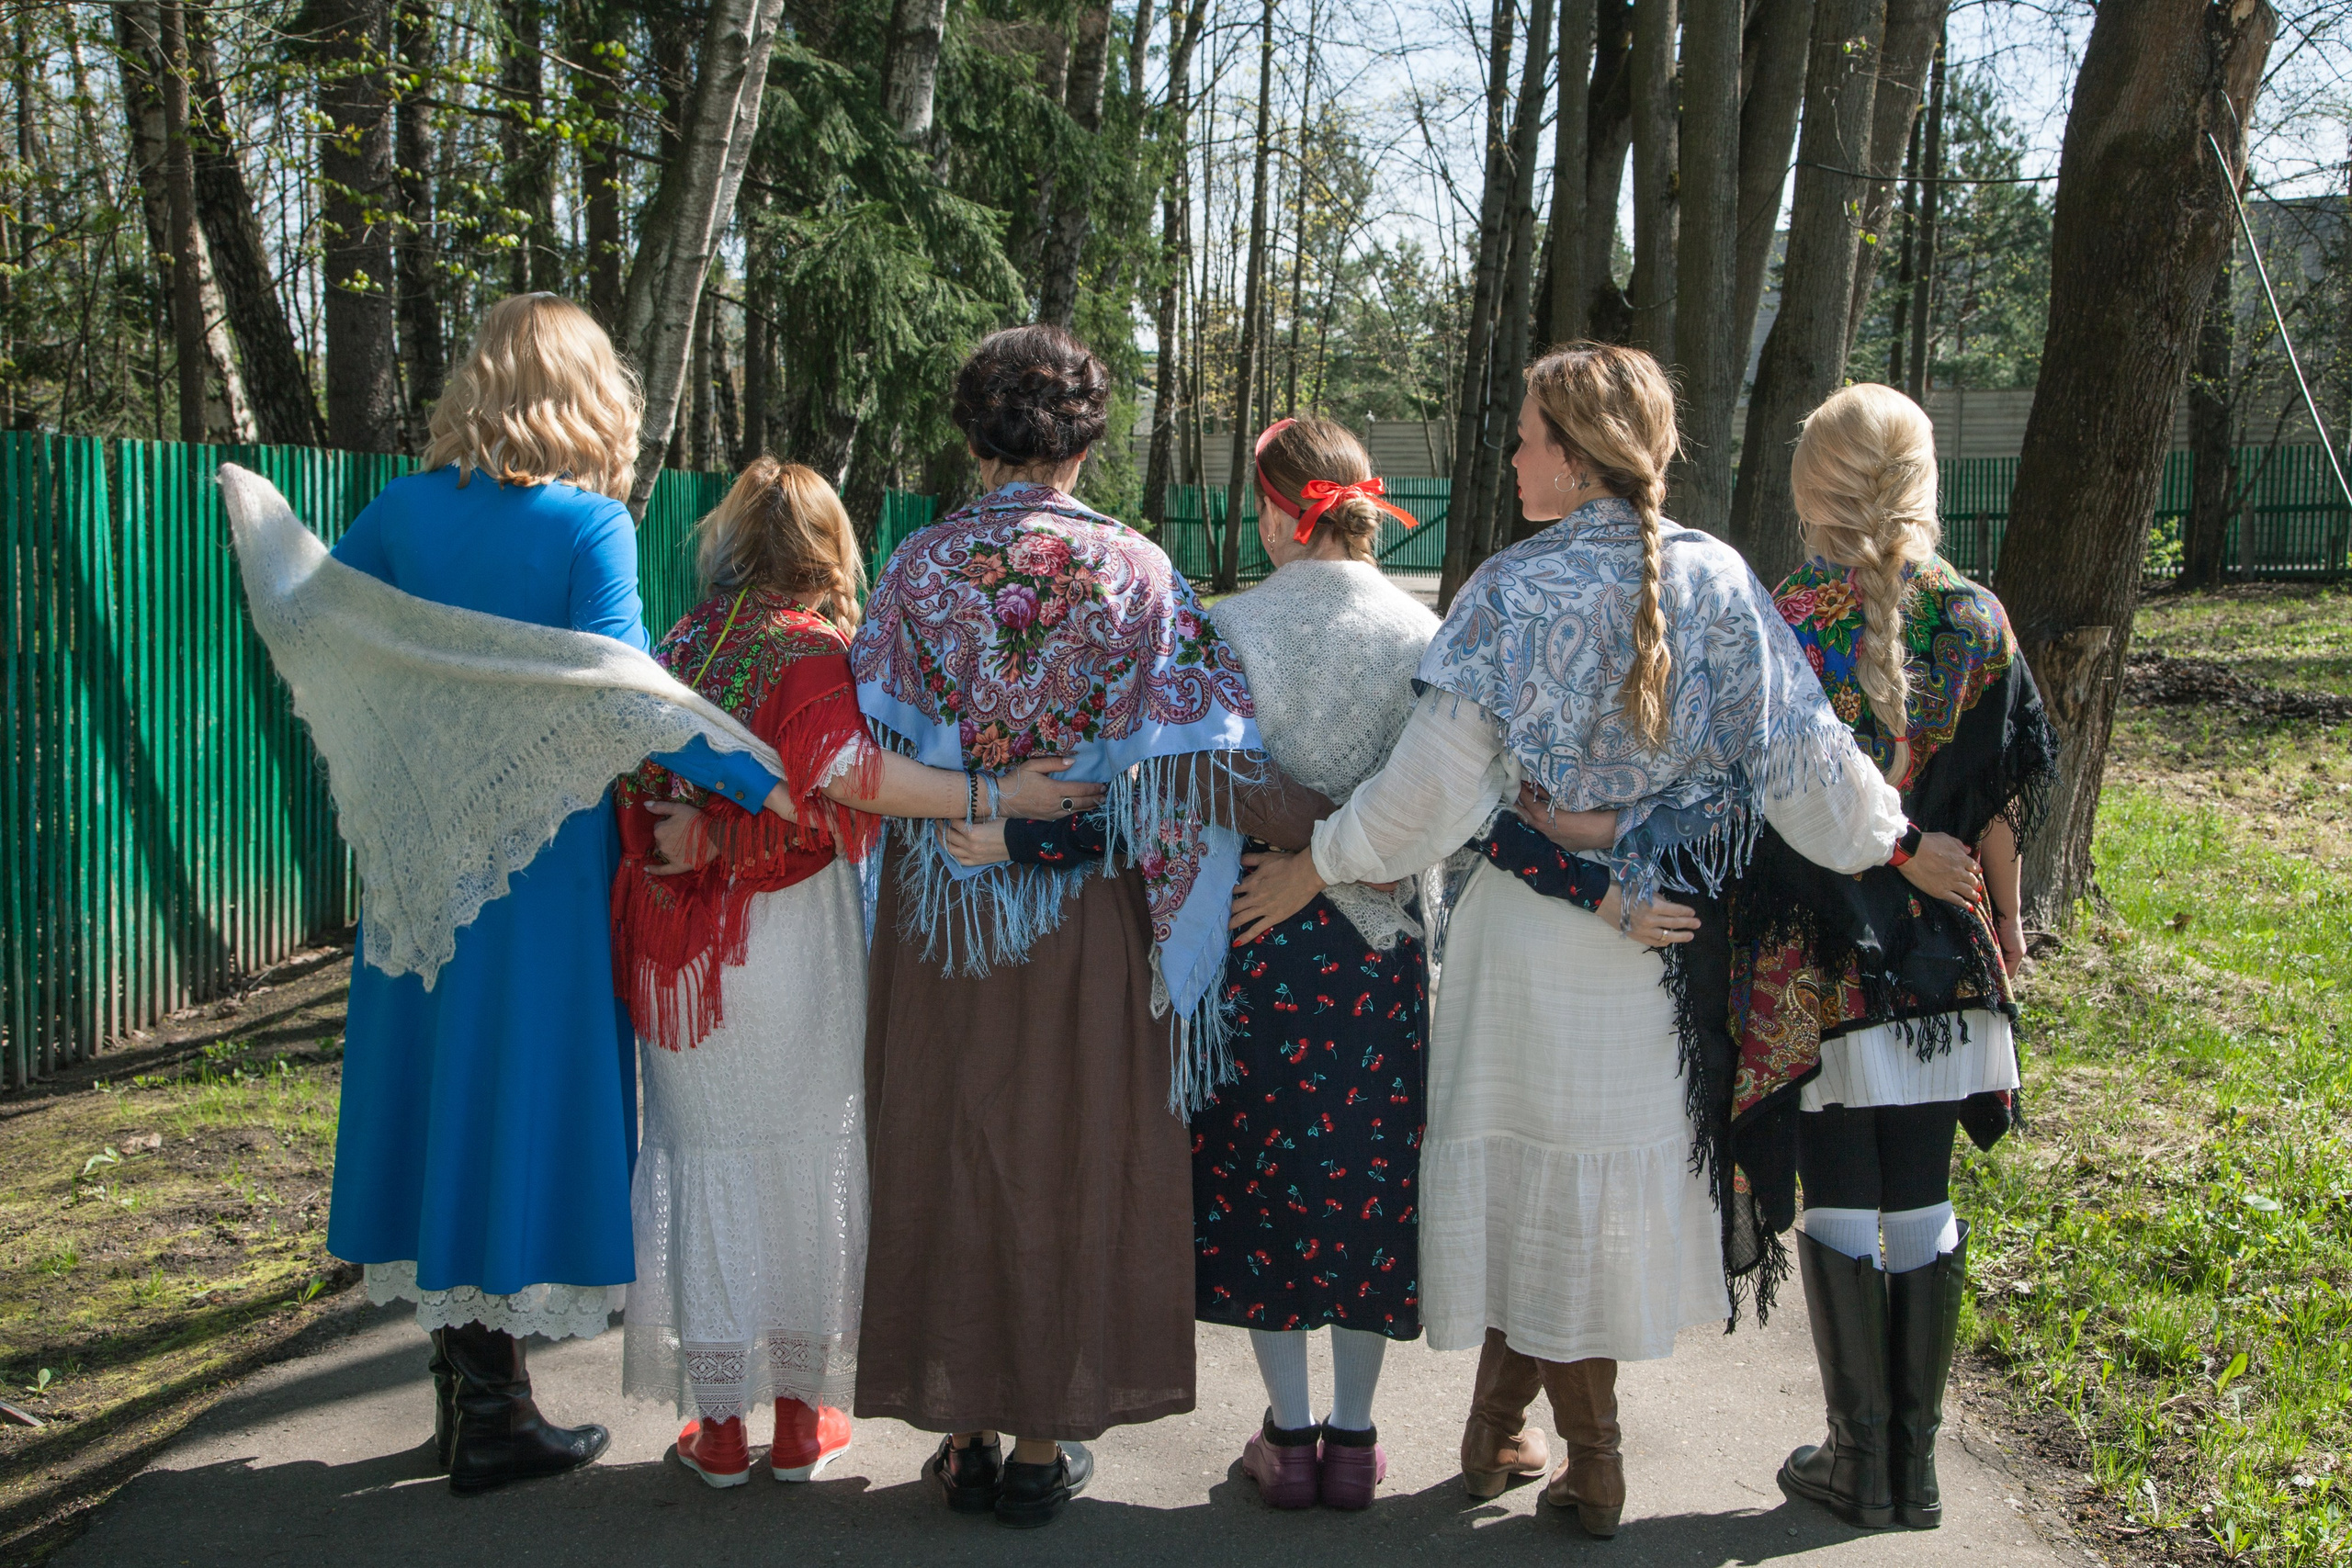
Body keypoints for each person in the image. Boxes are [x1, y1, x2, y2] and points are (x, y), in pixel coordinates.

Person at [1226, 343, 1983, 1538]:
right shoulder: (1719, 579)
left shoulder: (1508, 590)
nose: (1513, 455)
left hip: (1525, 946)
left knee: (1536, 1194)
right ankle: (1529, 1437)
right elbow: (1813, 777)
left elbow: (1429, 796)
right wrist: (1895, 841)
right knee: (1591, 1203)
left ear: (1577, 459)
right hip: (1657, 955)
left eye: (1529, 437)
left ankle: (1577, 1452)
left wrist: (1318, 860)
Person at [848, 325, 1334, 1529]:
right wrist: (1337, 831)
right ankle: (1035, 1444)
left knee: (949, 1144)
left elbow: (864, 745)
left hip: (943, 909)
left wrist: (977, 789)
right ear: (1084, 440)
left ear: (973, 435)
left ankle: (961, 1431)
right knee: (1067, 1153)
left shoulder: (915, 567)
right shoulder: (1135, 570)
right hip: (1079, 914)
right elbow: (1197, 759)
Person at [321, 294, 799, 1495]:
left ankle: (470, 1399)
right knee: (514, 1098)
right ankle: (491, 1419)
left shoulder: (398, 511)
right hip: (533, 875)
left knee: (441, 1099)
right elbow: (628, 695)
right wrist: (764, 779)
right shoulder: (588, 526)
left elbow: (333, 645)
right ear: (589, 399)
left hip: (418, 868)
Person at [958, 416, 1440, 1509]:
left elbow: (1173, 786)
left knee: (1268, 1179)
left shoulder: (1223, 628)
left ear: (1275, 513)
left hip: (1253, 930)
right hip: (1379, 938)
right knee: (1366, 1183)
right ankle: (1355, 1440)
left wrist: (1028, 835)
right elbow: (1440, 799)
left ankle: (1288, 1434)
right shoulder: (1425, 633)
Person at [607, 459, 1101, 1490]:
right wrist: (993, 795)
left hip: (683, 955)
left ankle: (720, 1429)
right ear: (828, 548)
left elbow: (637, 782)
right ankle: (799, 1421)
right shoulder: (810, 650)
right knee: (803, 1157)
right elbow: (852, 779)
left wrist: (705, 835)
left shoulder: (682, 642)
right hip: (785, 941)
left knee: (706, 1159)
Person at [1730, 384, 2058, 1530]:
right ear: (1921, 479)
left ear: (1812, 485)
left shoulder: (1783, 618)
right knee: (1923, 1193)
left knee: (1839, 1194)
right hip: (1944, 964)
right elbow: (1999, 798)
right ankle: (1912, 1473)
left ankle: (1856, 1459)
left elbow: (1761, 800)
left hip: (1818, 967)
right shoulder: (1979, 619)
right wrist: (2007, 926)